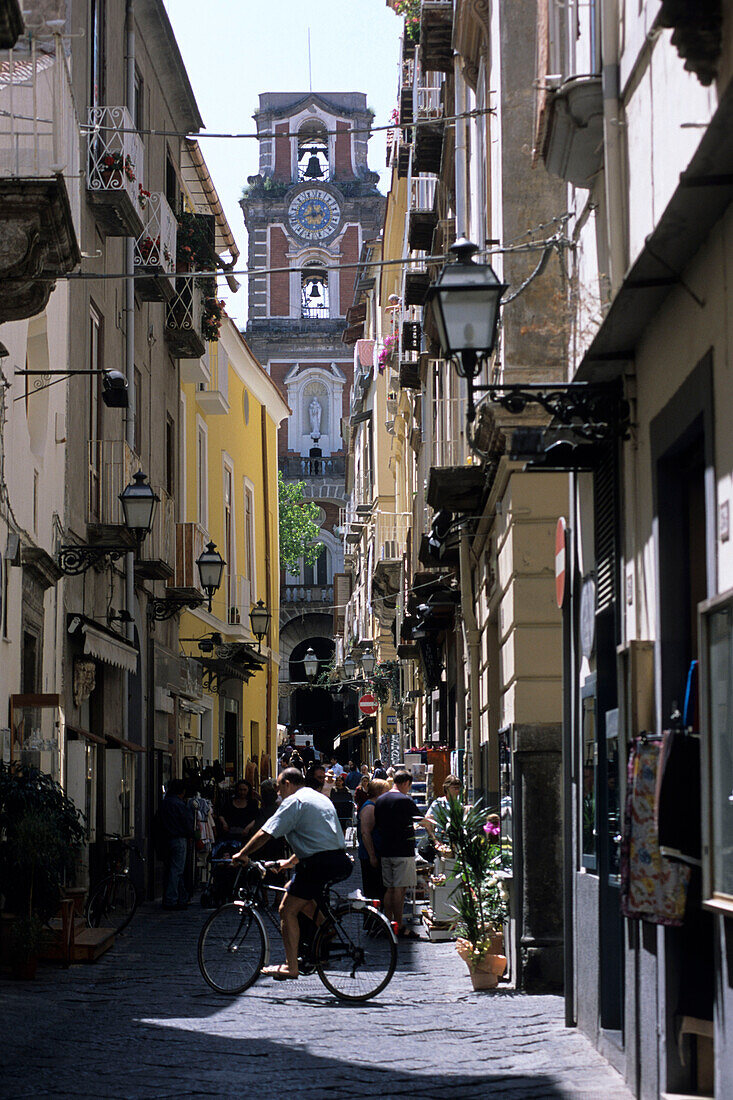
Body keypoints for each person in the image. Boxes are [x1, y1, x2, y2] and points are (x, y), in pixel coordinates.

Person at [232, 767, 352, 980]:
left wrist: (242, 853)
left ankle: (291, 966)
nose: (278, 793)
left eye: (279, 788)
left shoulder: (294, 801)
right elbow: (315, 837)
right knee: (292, 890)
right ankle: (326, 926)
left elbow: (265, 833)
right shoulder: (318, 798)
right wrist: (289, 862)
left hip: (318, 863)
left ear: (287, 783)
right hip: (338, 860)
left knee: (286, 910)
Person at [373, 769, 428, 939]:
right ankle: (399, 925)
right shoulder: (405, 800)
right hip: (402, 851)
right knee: (400, 890)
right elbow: (422, 820)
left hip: (385, 850)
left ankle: (387, 923)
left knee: (389, 888)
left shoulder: (380, 800)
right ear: (406, 783)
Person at [160, 778, 195, 910]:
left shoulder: (165, 803)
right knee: (176, 870)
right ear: (183, 791)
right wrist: (191, 835)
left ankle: (182, 897)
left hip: (166, 839)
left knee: (173, 869)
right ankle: (171, 900)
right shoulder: (180, 804)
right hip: (179, 839)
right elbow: (187, 822)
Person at [357, 778, 389, 901]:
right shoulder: (370, 807)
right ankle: (371, 919)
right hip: (369, 855)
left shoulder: (376, 806)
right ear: (379, 792)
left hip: (376, 853)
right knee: (373, 892)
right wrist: (372, 856)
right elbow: (365, 833)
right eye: (386, 790)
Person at [422, 774, 462, 861]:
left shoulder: (459, 805)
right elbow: (427, 822)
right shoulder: (439, 804)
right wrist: (435, 841)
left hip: (456, 845)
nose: (457, 791)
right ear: (447, 788)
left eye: (458, 788)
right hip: (442, 844)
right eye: (454, 788)